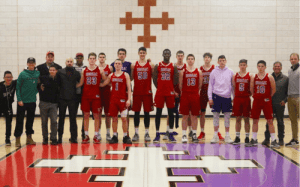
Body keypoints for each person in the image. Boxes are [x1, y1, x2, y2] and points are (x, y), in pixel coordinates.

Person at [247, 60, 280, 148]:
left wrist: (267, 97)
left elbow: (273, 90)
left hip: (266, 101)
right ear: (257, 67)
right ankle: (254, 139)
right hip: (257, 101)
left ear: (265, 67)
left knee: (270, 120)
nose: (260, 68)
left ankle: (273, 140)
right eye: (259, 66)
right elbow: (251, 89)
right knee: (255, 120)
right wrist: (256, 96)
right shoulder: (254, 77)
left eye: (262, 66)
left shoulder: (269, 77)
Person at [76, 52, 106, 143]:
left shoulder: (100, 70)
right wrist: (69, 86)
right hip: (86, 96)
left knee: (97, 116)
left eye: (94, 58)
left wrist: (102, 84)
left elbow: (106, 80)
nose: (92, 60)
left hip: (96, 96)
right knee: (86, 115)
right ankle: (86, 135)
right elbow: (81, 83)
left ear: (96, 60)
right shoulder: (84, 70)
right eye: (90, 58)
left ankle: (96, 135)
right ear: (88, 60)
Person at [100, 59, 132, 144]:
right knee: (114, 119)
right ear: (114, 65)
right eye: (116, 64)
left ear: (121, 65)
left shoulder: (126, 75)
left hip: (123, 100)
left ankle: (125, 136)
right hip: (113, 100)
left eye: (119, 64)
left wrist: (129, 99)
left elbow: (129, 88)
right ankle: (115, 135)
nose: (117, 65)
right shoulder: (111, 75)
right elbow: (104, 84)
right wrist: (96, 83)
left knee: (124, 118)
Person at [153, 49, 179, 143]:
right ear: (163, 54)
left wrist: (170, 87)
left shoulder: (173, 66)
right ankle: (157, 134)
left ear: (170, 55)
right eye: (165, 53)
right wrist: (160, 87)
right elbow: (154, 79)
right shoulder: (157, 65)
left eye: (168, 53)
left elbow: (175, 79)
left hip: (169, 93)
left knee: (171, 113)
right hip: (160, 92)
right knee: (158, 113)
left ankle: (171, 134)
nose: (167, 55)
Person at [14, 57, 40, 147]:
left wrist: (35, 92)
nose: (31, 64)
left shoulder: (37, 73)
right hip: (22, 102)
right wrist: (19, 99)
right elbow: (18, 88)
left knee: (30, 120)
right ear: (27, 64)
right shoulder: (22, 74)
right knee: (19, 120)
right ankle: (17, 138)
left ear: (35, 64)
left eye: (33, 63)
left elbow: (38, 85)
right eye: (29, 63)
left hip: (32, 101)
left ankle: (29, 138)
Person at [208, 55, 234, 144]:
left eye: (223, 60)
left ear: (226, 61)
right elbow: (210, 85)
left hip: (227, 97)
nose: (222, 62)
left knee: (227, 117)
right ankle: (215, 135)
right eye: (220, 60)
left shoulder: (230, 72)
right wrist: (210, 98)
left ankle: (227, 135)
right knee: (215, 117)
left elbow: (233, 86)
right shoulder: (213, 72)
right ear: (218, 62)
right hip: (216, 96)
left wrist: (233, 97)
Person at [198, 53, 224, 141]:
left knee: (216, 113)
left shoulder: (215, 68)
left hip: (213, 93)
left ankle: (218, 132)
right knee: (202, 113)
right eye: (205, 57)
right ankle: (202, 132)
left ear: (211, 59)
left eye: (208, 57)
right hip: (203, 93)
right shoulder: (200, 69)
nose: (207, 59)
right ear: (204, 59)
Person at [261, 61, 288, 146]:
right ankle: (267, 139)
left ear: (281, 68)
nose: (277, 68)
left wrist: (285, 100)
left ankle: (280, 140)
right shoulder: (268, 77)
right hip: (270, 104)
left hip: (280, 104)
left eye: (278, 66)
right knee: (269, 122)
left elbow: (288, 92)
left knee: (280, 122)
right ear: (273, 68)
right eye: (275, 66)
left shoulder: (286, 79)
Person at [131, 47, 154, 142]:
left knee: (146, 113)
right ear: (138, 53)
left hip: (147, 92)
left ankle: (147, 133)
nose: (142, 54)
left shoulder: (150, 65)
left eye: (143, 53)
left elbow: (154, 77)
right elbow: (131, 78)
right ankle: (136, 133)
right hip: (137, 92)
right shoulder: (134, 65)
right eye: (140, 52)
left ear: (146, 53)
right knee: (136, 113)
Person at [163, 50, 187, 140]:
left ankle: (190, 132)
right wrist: (173, 91)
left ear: (183, 57)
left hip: (184, 93)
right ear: (176, 57)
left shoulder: (186, 67)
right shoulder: (172, 66)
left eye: (181, 55)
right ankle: (168, 130)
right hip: (174, 93)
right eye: (178, 56)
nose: (180, 57)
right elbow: (170, 80)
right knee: (170, 112)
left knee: (186, 113)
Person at [56, 58, 81, 144]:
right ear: (65, 62)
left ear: (73, 63)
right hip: (62, 99)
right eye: (68, 62)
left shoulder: (77, 73)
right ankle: (59, 137)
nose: (69, 63)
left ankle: (74, 137)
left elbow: (80, 83)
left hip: (73, 99)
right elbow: (57, 84)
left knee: (73, 119)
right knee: (61, 119)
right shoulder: (60, 72)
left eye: (71, 62)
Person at [179, 54, 202, 143]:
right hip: (185, 95)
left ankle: (194, 134)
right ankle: (184, 134)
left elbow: (200, 84)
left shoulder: (198, 72)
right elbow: (180, 85)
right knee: (184, 116)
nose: (190, 60)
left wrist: (195, 92)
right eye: (188, 59)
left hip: (195, 95)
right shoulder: (183, 72)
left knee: (194, 116)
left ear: (194, 60)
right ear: (186, 60)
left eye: (192, 59)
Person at [110, 48, 132, 135]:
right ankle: (114, 134)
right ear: (118, 55)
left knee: (125, 116)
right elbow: (108, 80)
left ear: (125, 55)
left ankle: (126, 133)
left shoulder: (129, 65)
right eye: (120, 54)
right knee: (114, 117)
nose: (121, 55)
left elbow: (132, 76)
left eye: (123, 54)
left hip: (125, 93)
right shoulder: (112, 65)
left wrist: (129, 98)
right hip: (115, 95)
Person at [38, 65, 60, 145]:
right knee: (44, 122)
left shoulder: (58, 79)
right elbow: (37, 84)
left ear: (56, 71)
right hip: (44, 103)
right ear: (48, 71)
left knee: (54, 121)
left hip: (54, 104)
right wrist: (39, 87)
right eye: (50, 70)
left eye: (53, 70)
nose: (52, 71)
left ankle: (53, 137)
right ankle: (45, 137)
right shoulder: (43, 78)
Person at [232, 59, 252, 144]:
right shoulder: (235, 76)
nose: (242, 66)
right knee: (238, 118)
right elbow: (233, 87)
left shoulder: (250, 75)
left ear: (246, 66)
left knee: (246, 118)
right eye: (241, 65)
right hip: (237, 98)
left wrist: (248, 95)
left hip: (246, 98)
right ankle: (237, 137)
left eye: (244, 65)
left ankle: (247, 137)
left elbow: (251, 88)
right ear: (239, 66)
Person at [286, 53, 300, 146]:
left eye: (295, 59)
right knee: (293, 120)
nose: (293, 60)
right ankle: (295, 139)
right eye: (291, 59)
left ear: (298, 59)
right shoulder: (289, 70)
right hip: (290, 98)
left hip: (299, 97)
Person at [98, 52, 113, 141]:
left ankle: (108, 133)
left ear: (105, 58)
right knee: (98, 115)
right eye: (100, 57)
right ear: (98, 59)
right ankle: (98, 133)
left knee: (108, 114)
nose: (102, 58)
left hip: (107, 93)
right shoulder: (95, 67)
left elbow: (111, 81)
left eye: (103, 57)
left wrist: (104, 83)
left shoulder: (109, 68)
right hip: (98, 94)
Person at [0, 71, 17, 146]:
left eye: (10, 77)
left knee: (8, 123)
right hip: (0, 106)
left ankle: (7, 139)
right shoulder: (0, 85)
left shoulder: (14, 84)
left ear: (12, 78)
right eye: (7, 77)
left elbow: (22, 78)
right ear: (4, 78)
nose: (8, 79)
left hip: (8, 106)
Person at [73, 52, 87, 140]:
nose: (79, 59)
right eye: (77, 58)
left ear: (83, 58)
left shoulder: (86, 68)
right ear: (76, 58)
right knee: (73, 115)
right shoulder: (72, 68)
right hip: (74, 94)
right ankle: (74, 135)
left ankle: (83, 133)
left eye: (80, 57)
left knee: (85, 115)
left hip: (83, 94)